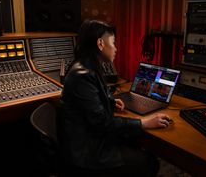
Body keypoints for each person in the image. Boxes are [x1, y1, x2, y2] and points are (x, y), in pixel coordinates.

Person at [57, 20, 174, 177]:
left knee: (132, 140)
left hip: (86, 141)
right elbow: (102, 123)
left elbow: (89, 103)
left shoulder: (84, 66)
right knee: (150, 162)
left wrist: (110, 102)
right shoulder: (83, 76)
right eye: (113, 43)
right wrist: (144, 122)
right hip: (87, 154)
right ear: (100, 43)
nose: (116, 48)